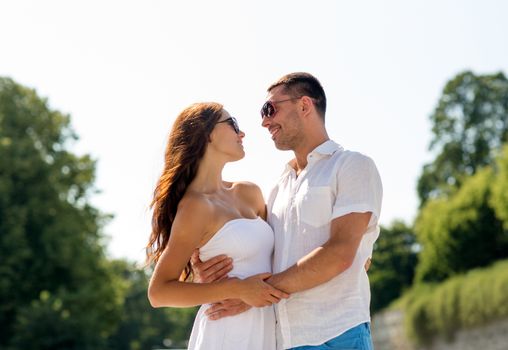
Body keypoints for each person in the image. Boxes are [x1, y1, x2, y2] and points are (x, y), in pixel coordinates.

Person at [192, 73, 383, 350]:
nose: (264, 121)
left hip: (337, 334)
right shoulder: (276, 188)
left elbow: (340, 254)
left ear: (304, 105)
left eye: (270, 109)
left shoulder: (353, 166)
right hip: (281, 340)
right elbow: (257, 252)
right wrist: (205, 272)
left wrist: (254, 293)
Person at [146, 102, 289, 350]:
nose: (242, 133)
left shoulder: (249, 192)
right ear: (207, 133)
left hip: (268, 330)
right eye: (233, 124)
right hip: (224, 333)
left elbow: (280, 257)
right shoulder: (195, 207)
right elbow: (159, 292)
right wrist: (233, 289)